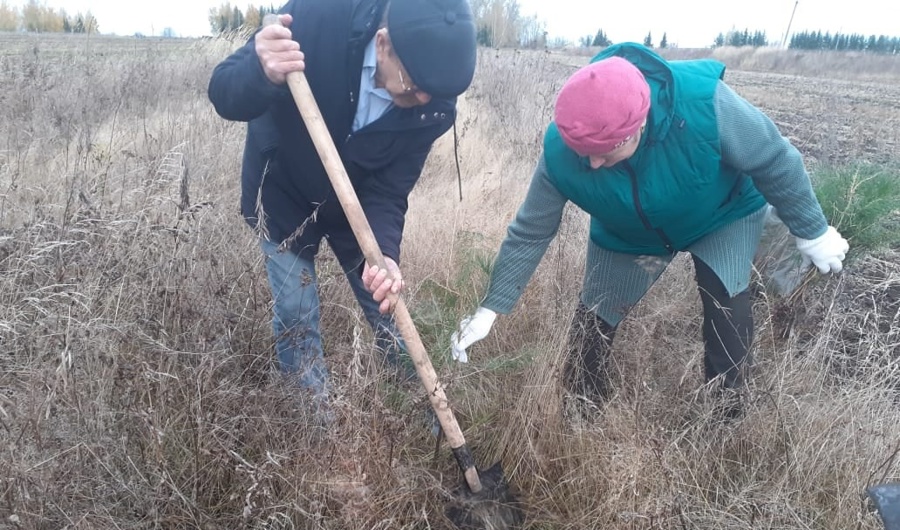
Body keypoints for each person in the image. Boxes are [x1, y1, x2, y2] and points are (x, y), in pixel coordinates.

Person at [450, 42, 849, 419]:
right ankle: (581, 410)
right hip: (629, 233)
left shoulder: (702, 105)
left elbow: (774, 158)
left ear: (636, 128)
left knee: (726, 308)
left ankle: (726, 421)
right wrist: (492, 306)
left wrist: (811, 231)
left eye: (604, 153)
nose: (590, 165)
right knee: (592, 322)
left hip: (720, 215)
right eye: (582, 153)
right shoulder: (561, 152)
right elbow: (531, 230)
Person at [208, 0, 477, 414]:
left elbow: (390, 190)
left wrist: (385, 253)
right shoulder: (317, 18)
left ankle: (426, 414)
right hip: (284, 195)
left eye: (435, 90)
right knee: (297, 313)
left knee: (387, 306)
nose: (423, 97)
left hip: (358, 208)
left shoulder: (432, 105)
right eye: (415, 83)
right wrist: (259, 71)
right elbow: (224, 90)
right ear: (383, 44)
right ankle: (317, 428)